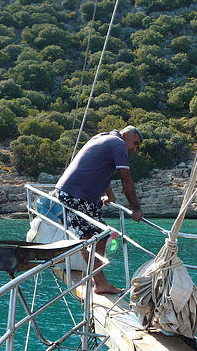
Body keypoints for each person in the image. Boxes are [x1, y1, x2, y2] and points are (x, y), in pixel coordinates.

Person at [54, 125, 144, 294]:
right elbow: (126, 179)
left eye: (137, 146)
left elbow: (100, 170)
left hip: (70, 193)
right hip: (75, 195)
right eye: (135, 143)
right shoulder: (118, 144)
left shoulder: (103, 137)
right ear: (125, 135)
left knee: (97, 235)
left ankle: (97, 278)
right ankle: (99, 281)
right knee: (94, 236)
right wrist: (136, 209)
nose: (135, 148)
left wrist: (109, 195)